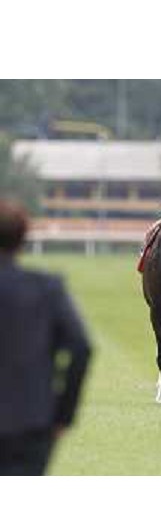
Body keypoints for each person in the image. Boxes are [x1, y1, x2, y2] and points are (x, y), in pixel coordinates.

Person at [0, 199, 92, 475]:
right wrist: (63, 414)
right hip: (32, 422)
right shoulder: (48, 289)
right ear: (23, 238)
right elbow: (81, 348)